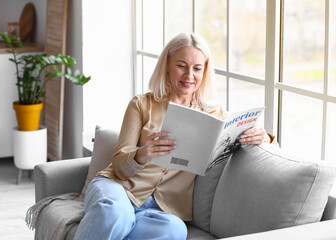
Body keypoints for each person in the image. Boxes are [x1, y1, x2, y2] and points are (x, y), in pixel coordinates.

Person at [74, 32, 274, 240]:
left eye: (197, 68)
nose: (189, 75)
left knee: (174, 230)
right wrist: (141, 154)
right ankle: (112, 222)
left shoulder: (215, 116)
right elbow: (118, 166)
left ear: (205, 71)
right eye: (181, 65)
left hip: (161, 209)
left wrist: (265, 137)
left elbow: (250, 134)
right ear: (167, 65)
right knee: (115, 214)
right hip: (118, 189)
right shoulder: (142, 104)